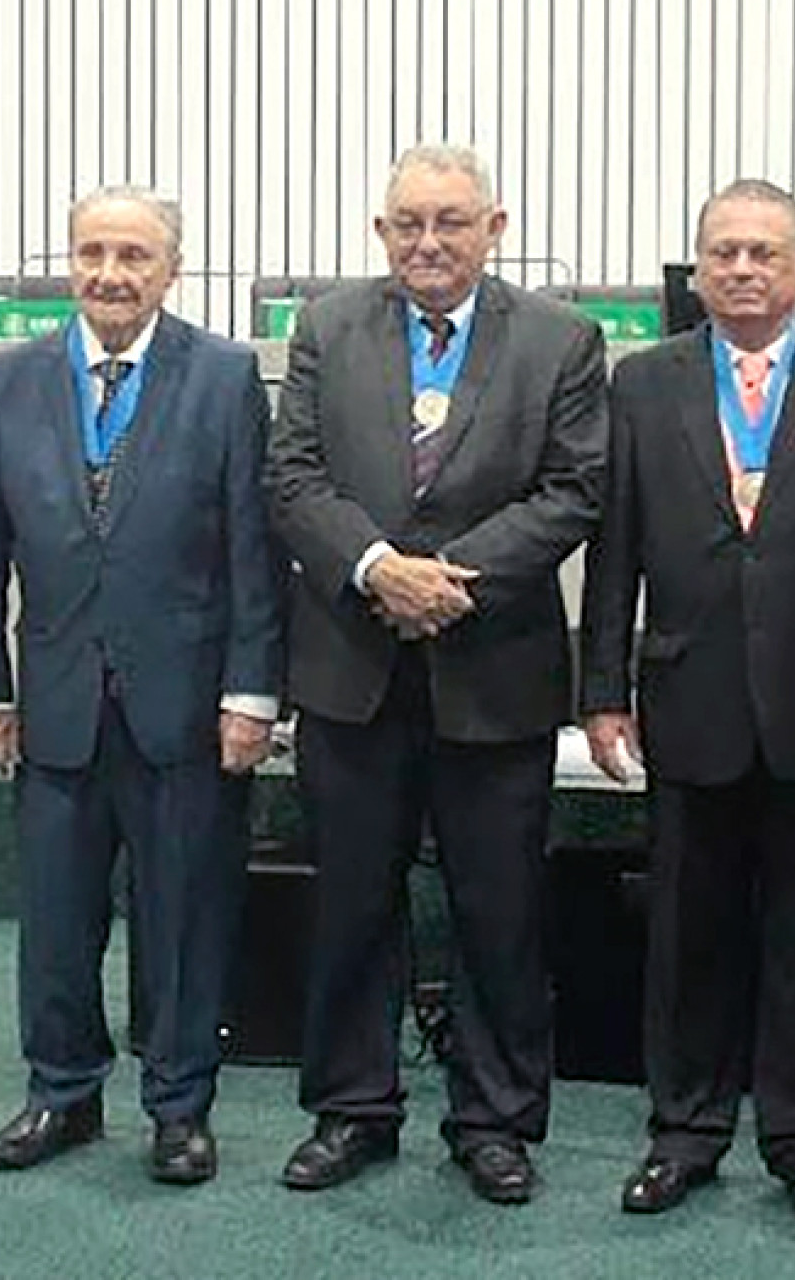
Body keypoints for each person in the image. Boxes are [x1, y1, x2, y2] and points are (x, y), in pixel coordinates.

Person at [266, 143, 607, 1204]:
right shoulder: (327, 328)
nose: (429, 241)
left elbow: (574, 488)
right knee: (352, 905)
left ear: (494, 227)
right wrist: (377, 570)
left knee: (497, 911)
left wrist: (451, 578)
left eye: (451, 222)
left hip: (491, 664)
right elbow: (293, 477)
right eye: (408, 223)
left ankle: (494, 1119)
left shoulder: (562, 339)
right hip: (352, 667)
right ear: (381, 233)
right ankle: (353, 1109)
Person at [579, 179, 795, 1229]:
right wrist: (602, 692)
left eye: (764, 252)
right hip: (690, 699)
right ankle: (683, 1133)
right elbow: (615, 550)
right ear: (696, 267)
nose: (741, 270)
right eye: (722, 252)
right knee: (687, 936)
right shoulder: (644, 382)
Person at [0, 186, 281, 1186]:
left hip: (184, 707)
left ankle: (180, 1108)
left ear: (170, 269)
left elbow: (252, 550)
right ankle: (61, 1093)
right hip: (53, 704)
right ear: (70, 262)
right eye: (93, 252)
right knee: (54, 920)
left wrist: (252, 692)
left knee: (185, 918)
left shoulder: (223, 376)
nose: (110, 273)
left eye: (133, 255)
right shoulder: (12, 380)